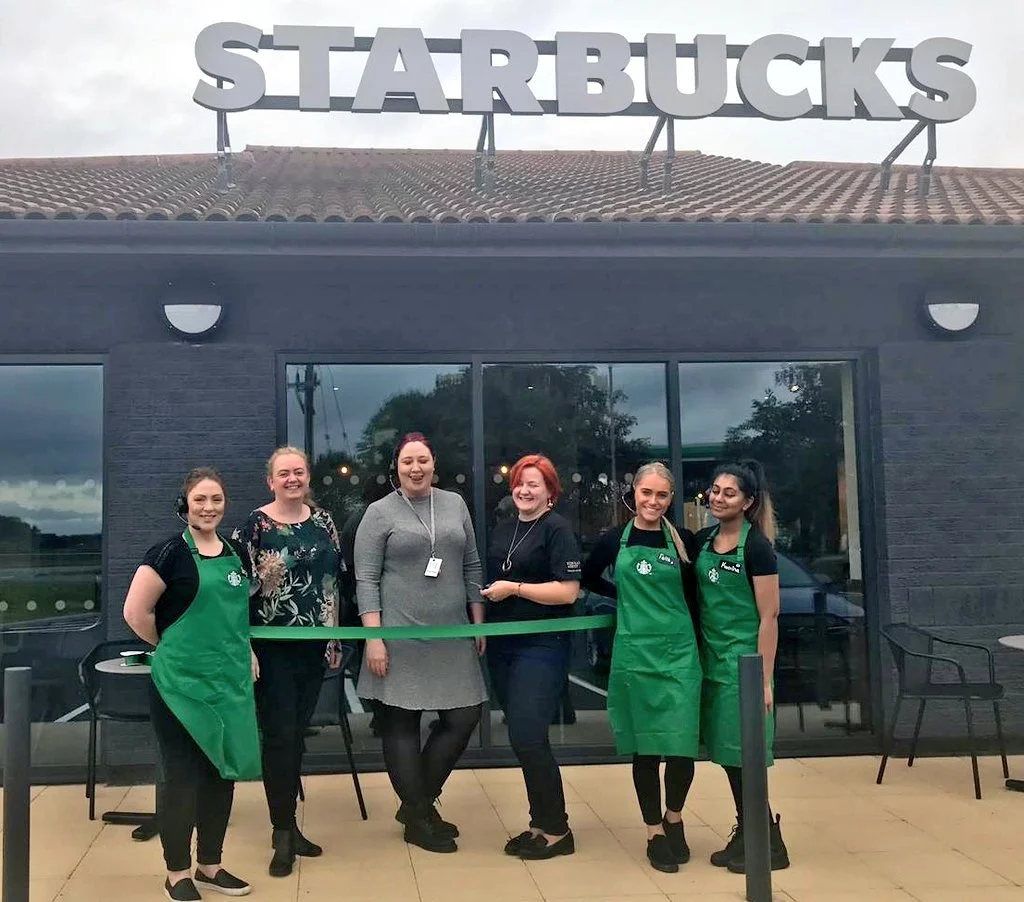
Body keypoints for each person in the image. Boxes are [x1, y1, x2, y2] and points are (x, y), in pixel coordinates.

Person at [123, 468, 259, 902]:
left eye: (216, 499)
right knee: (180, 776)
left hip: (228, 682)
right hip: (179, 686)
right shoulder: (168, 554)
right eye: (200, 499)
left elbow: (237, 616)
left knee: (222, 772)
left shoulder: (236, 552)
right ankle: (176, 872)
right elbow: (135, 613)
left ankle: (210, 865)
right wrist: (172, 648)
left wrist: (246, 652)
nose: (208, 507)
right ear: (185, 504)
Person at [354, 432, 487, 854]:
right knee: (401, 726)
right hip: (398, 637)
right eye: (407, 461)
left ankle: (416, 804)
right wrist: (375, 639)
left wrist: (478, 621)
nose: (416, 468)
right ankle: (419, 816)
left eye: (423, 460)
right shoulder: (379, 513)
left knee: (464, 716)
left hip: (451, 635)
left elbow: (472, 565)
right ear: (396, 468)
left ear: (434, 464)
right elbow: (365, 579)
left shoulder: (455, 504)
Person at [581, 462, 702, 874]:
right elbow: (588, 577)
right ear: (633, 493)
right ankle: (654, 833)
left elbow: (695, 598)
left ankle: (674, 817)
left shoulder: (684, 541)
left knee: (682, 744)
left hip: (680, 654)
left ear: (671, 498)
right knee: (646, 747)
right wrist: (623, 595)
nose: (653, 501)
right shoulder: (614, 540)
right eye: (646, 493)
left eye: (661, 494)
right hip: (636, 653)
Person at [234, 446, 343, 878]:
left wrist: (334, 636)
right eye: (284, 473)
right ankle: (281, 832)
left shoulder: (324, 522)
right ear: (271, 481)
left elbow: (333, 582)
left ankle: (290, 825)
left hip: (313, 647)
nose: (292, 479)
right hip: (271, 649)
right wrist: (245, 646)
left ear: (308, 476)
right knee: (279, 736)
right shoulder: (255, 525)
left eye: (299, 471)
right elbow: (237, 591)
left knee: (296, 734)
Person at [691, 459, 790, 872]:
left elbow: (770, 616)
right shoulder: (702, 541)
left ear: (747, 502)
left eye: (729, 493)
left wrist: (763, 680)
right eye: (715, 491)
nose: (718, 498)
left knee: (746, 756)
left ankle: (769, 845)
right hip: (712, 664)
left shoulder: (757, 548)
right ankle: (751, 832)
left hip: (745, 669)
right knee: (730, 756)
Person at [481, 454, 581, 860]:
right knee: (522, 738)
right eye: (520, 483)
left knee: (527, 734)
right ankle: (540, 824)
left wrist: (514, 588)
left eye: (534, 484)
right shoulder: (505, 529)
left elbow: (568, 591)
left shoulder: (558, 529)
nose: (524, 490)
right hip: (503, 646)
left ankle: (558, 830)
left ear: (550, 492)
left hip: (542, 645)